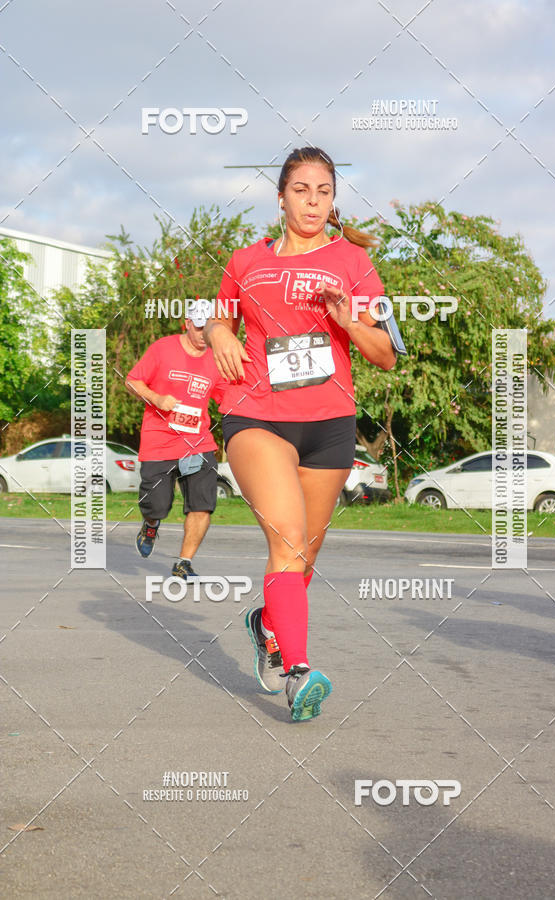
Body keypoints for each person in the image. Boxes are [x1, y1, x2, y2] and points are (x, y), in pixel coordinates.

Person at [205, 146, 399, 722]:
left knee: (305, 555)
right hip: (256, 413)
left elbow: (386, 354)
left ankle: (267, 624)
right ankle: (297, 672)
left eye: (323, 192)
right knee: (288, 540)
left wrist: (346, 321)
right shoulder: (245, 261)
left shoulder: (354, 263)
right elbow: (217, 316)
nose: (312, 202)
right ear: (281, 197)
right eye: (301, 190)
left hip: (329, 422)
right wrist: (219, 331)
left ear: (333, 200)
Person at [126, 300, 228, 579]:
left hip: (198, 442)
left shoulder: (216, 358)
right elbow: (133, 381)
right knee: (157, 505)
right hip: (159, 441)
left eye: (209, 328)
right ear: (187, 324)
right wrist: (156, 398)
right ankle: (150, 525)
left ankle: (184, 563)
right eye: (199, 328)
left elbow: (226, 396)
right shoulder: (163, 349)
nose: (204, 334)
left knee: (203, 505)